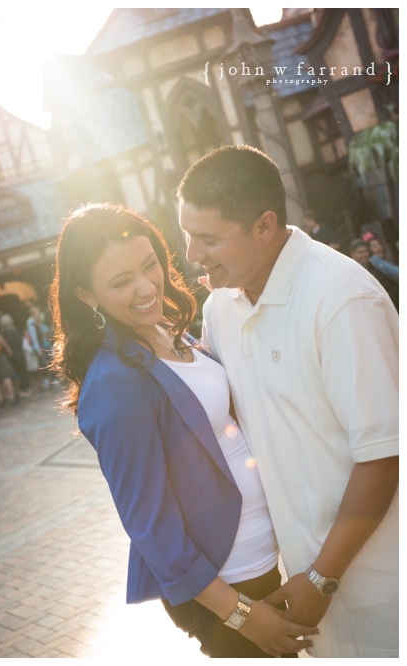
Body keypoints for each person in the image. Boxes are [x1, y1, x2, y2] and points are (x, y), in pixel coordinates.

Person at [50, 203, 319, 658]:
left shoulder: (168, 331)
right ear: (87, 294)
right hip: (229, 583)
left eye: (149, 265)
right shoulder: (114, 383)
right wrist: (239, 614)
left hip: (263, 559)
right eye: (120, 282)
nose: (145, 288)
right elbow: (149, 524)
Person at [177, 145, 398, 658]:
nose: (192, 254)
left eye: (208, 238)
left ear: (264, 226)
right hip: (299, 591)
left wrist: (322, 578)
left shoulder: (341, 299)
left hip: (382, 585)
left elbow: (382, 456)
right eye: (188, 234)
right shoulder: (220, 308)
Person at [349, 238, 399, 309]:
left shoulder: (375, 260)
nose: (364, 255)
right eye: (360, 253)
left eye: (365, 251)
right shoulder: (355, 270)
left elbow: (392, 269)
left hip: (395, 289)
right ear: (352, 254)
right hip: (382, 299)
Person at [0, 314, 32, 398]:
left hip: (11, 357)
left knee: (15, 374)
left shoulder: (3, 335)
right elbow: (20, 341)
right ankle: (24, 390)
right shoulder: (14, 331)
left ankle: (17, 391)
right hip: (19, 354)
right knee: (22, 372)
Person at [27, 305, 53, 389]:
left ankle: (51, 381)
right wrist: (39, 351)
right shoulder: (32, 325)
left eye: (39, 313)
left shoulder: (40, 322)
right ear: (33, 315)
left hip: (47, 346)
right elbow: (35, 339)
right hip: (41, 348)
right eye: (36, 313)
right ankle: (47, 383)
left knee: (50, 363)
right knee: (44, 365)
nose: (38, 315)